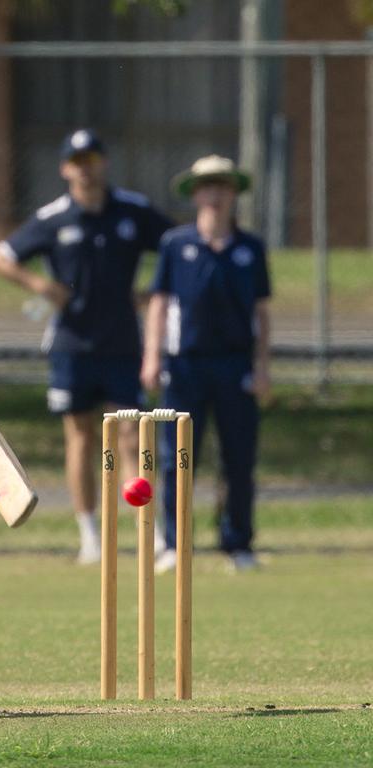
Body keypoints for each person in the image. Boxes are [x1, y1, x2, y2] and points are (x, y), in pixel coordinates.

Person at [0, 129, 173, 564]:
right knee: (81, 436)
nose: (85, 168)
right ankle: (90, 536)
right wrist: (40, 285)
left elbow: (179, 248)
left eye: (92, 158)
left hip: (123, 341)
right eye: (77, 160)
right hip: (71, 343)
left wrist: (152, 293)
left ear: (104, 162)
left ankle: (151, 533)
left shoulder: (132, 211)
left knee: (130, 434)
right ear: (65, 168)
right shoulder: (54, 217)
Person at [141, 154, 271, 574]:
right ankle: (176, 544)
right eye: (207, 186)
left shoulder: (250, 249)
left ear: (233, 193)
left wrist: (263, 366)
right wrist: (152, 356)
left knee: (238, 458)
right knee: (177, 458)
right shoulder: (176, 245)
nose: (215, 194)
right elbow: (160, 303)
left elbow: (262, 312)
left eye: (223, 186)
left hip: (236, 366)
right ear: (195, 193)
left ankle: (238, 543)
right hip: (185, 367)